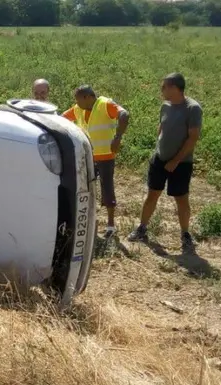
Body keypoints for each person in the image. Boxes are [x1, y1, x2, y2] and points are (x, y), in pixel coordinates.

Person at [127, 73, 202, 253]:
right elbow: (161, 129)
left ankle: (185, 234)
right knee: (152, 195)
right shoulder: (165, 106)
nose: (161, 90)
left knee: (181, 198)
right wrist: (158, 150)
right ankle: (142, 228)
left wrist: (176, 161)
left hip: (181, 164)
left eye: (164, 87)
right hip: (159, 160)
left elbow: (193, 138)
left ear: (175, 88)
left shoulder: (193, 108)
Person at [63, 85, 130, 238]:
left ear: (87, 97)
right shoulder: (78, 109)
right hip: (87, 157)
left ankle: (111, 225)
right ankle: (86, 222)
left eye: (78, 99)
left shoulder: (105, 104)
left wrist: (118, 138)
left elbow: (124, 115)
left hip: (105, 156)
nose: (76, 102)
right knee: (84, 188)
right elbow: (62, 119)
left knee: (107, 188)